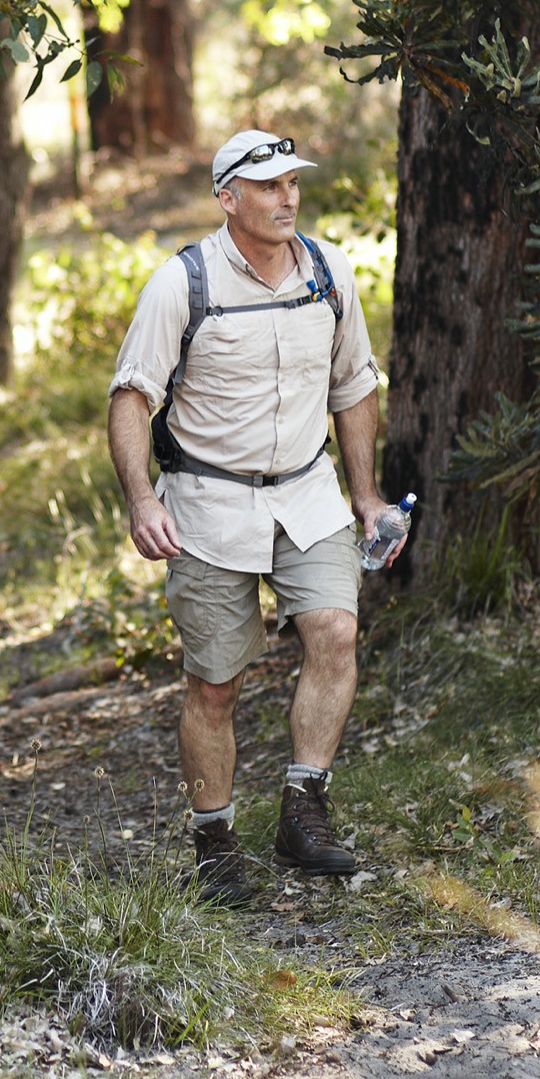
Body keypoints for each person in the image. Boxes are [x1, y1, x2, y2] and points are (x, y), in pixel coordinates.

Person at [105, 129, 402, 902]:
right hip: (207, 502)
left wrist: (366, 496)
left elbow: (355, 386)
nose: (288, 198)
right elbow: (132, 397)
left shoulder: (329, 272)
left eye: (293, 183)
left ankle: (303, 810)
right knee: (216, 684)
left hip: (306, 491)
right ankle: (214, 841)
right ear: (227, 197)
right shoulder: (183, 283)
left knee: (335, 630)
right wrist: (142, 500)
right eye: (268, 186)